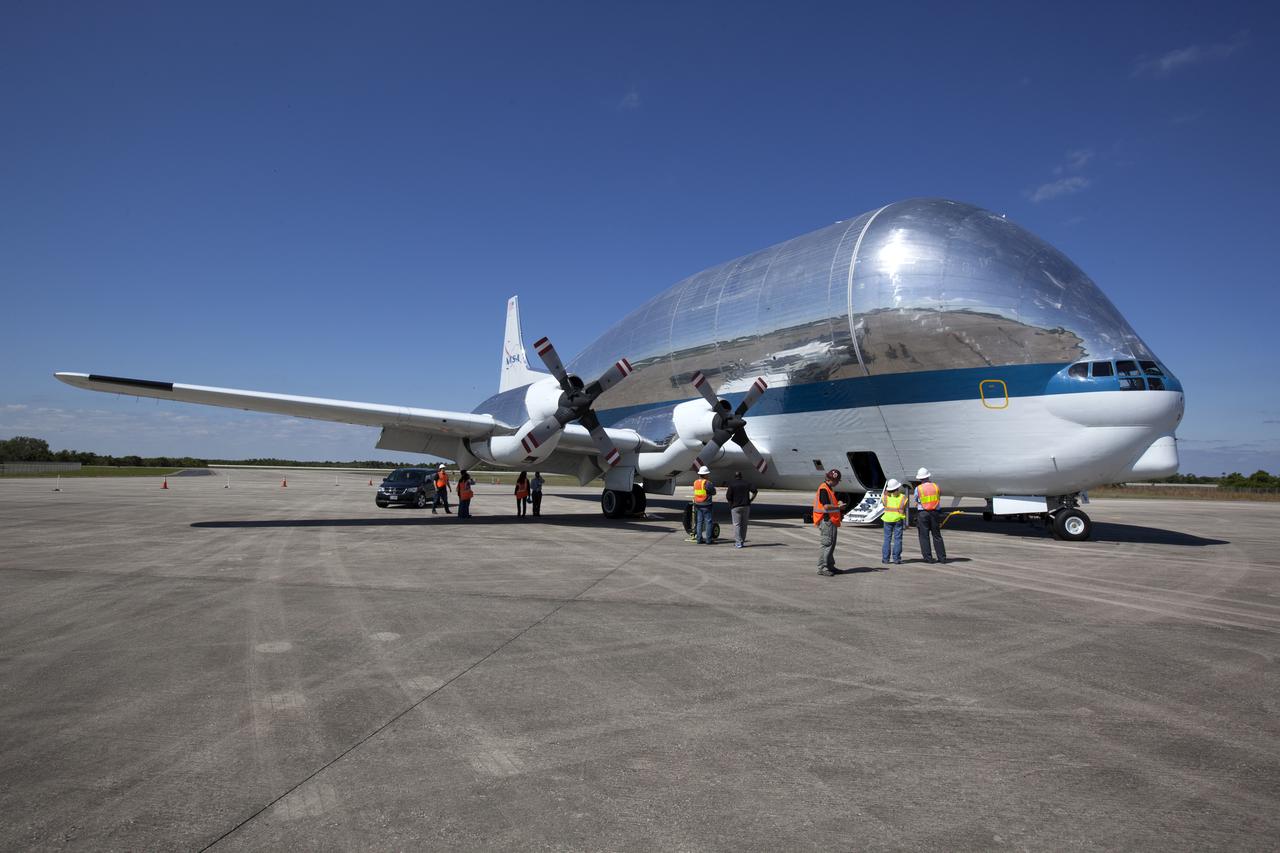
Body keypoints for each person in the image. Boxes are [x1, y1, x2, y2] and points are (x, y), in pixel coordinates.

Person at [812, 469, 843, 576]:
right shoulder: (824, 489)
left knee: (831, 544)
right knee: (827, 544)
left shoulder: (828, 488)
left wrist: (837, 504)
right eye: (837, 480)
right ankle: (822, 567)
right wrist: (838, 506)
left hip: (831, 520)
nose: (838, 483)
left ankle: (830, 566)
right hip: (827, 520)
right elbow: (825, 506)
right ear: (832, 480)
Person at [913, 467, 947, 564]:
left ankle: (928, 558)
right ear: (928, 476)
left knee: (924, 536)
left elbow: (916, 500)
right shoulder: (936, 486)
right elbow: (938, 497)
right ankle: (942, 558)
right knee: (937, 536)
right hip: (935, 512)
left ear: (920, 478)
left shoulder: (918, 488)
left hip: (923, 513)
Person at [725, 471, 758, 548]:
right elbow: (755, 491)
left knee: (737, 525)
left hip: (735, 507)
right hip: (746, 506)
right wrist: (751, 500)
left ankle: (738, 542)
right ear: (741, 476)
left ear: (735, 477)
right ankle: (742, 541)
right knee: (744, 525)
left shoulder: (732, 484)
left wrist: (731, 504)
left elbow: (728, 496)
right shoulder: (747, 483)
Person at [881, 478, 907, 564]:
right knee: (898, 539)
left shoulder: (884, 497)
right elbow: (904, 507)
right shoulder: (903, 497)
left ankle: (885, 559)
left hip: (887, 519)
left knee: (887, 539)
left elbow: (884, 503)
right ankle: (896, 559)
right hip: (898, 519)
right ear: (897, 488)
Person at [692, 465, 716, 544]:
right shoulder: (707, 483)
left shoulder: (695, 482)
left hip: (697, 504)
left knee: (699, 522)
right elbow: (713, 492)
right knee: (708, 522)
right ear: (705, 474)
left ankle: (699, 539)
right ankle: (708, 540)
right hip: (706, 504)